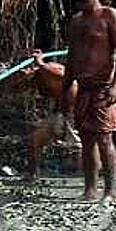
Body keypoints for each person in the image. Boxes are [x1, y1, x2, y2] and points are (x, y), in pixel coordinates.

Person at [60, 0, 116, 202]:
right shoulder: (76, 21)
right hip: (83, 87)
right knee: (86, 140)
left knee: (105, 138)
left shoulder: (110, 16)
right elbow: (71, 58)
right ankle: (89, 189)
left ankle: (111, 191)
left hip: (105, 87)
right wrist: (66, 88)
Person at [22, 49, 79, 180]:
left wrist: (41, 63)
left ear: (31, 67)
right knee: (34, 141)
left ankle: (89, 179)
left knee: (81, 146)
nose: (24, 73)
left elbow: (66, 77)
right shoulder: (34, 79)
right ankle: (32, 174)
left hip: (75, 111)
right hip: (59, 113)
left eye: (25, 70)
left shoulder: (49, 68)